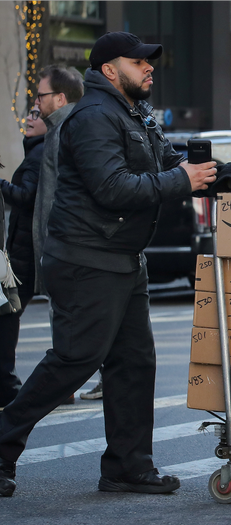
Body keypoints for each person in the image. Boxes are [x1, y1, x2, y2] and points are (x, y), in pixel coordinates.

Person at [0, 31, 217, 497]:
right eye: (138, 62)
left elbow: (171, 164)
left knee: (134, 363)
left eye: (149, 62)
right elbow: (114, 188)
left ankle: (127, 466)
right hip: (86, 257)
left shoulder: (135, 114)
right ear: (108, 70)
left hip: (120, 256)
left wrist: (230, 173)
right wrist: (182, 180)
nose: (149, 68)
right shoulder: (95, 116)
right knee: (74, 361)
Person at [33, 65, 85, 405]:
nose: (36, 103)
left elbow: (56, 197)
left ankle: (54, 391)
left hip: (65, 251)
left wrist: (51, 249)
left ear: (60, 97)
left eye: (41, 95)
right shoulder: (59, 129)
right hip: (65, 249)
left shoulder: (66, 129)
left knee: (70, 331)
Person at [0, 107, 46, 411]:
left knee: (7, 317)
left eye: (36, 112)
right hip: (23, 250)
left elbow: (27, 197)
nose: (28, 118)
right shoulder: (39, 151)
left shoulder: (40, 153)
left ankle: (9, 388)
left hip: (25, 253)